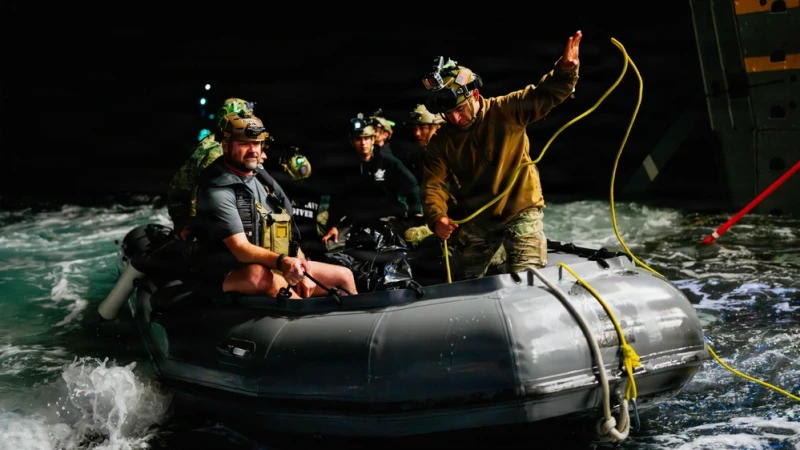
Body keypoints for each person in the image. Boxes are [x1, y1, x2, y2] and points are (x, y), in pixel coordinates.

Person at [420, 31, 582, 280]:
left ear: (475, 96)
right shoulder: (441, 141)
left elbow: (544, 94)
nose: (455, 118)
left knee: (527, 280)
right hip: (482, 218)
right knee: (461, 279)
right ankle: (498, 257)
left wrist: (565, 71)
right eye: (447, 114)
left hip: (521, 211)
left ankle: (507, 256)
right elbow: (434, 185)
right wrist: (437, 217)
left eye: (460, 109)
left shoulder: (505, 110)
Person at [192, 112, 357, 299]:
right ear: (225, 145)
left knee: (344, 276)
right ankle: (301, 312)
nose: (253, 150)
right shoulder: (217, 189)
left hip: (273, 263)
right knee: (260, 276)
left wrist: (302, 269)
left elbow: (286, 234)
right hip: (228, 272)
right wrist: (283, 263)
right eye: (244, 143)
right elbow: (240, 248)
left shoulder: (262, 179)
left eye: (256, 143)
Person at [320, 113, 422, 247]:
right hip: (357, 221)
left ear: (373, 139)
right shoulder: (347, 167)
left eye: (367, 138)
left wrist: (416, 213)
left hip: (387, 219)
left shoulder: (388, 162)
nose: (363, 143)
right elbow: (337, 199)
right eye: (358, 139)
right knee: (331, 246)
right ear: (352, 141)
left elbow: (411, 185)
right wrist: (334, 225)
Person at [167, 97, 258, 239]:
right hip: (188, 213)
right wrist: (191, 227)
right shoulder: (218, 150)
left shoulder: (215, 141)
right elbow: (203, 187)